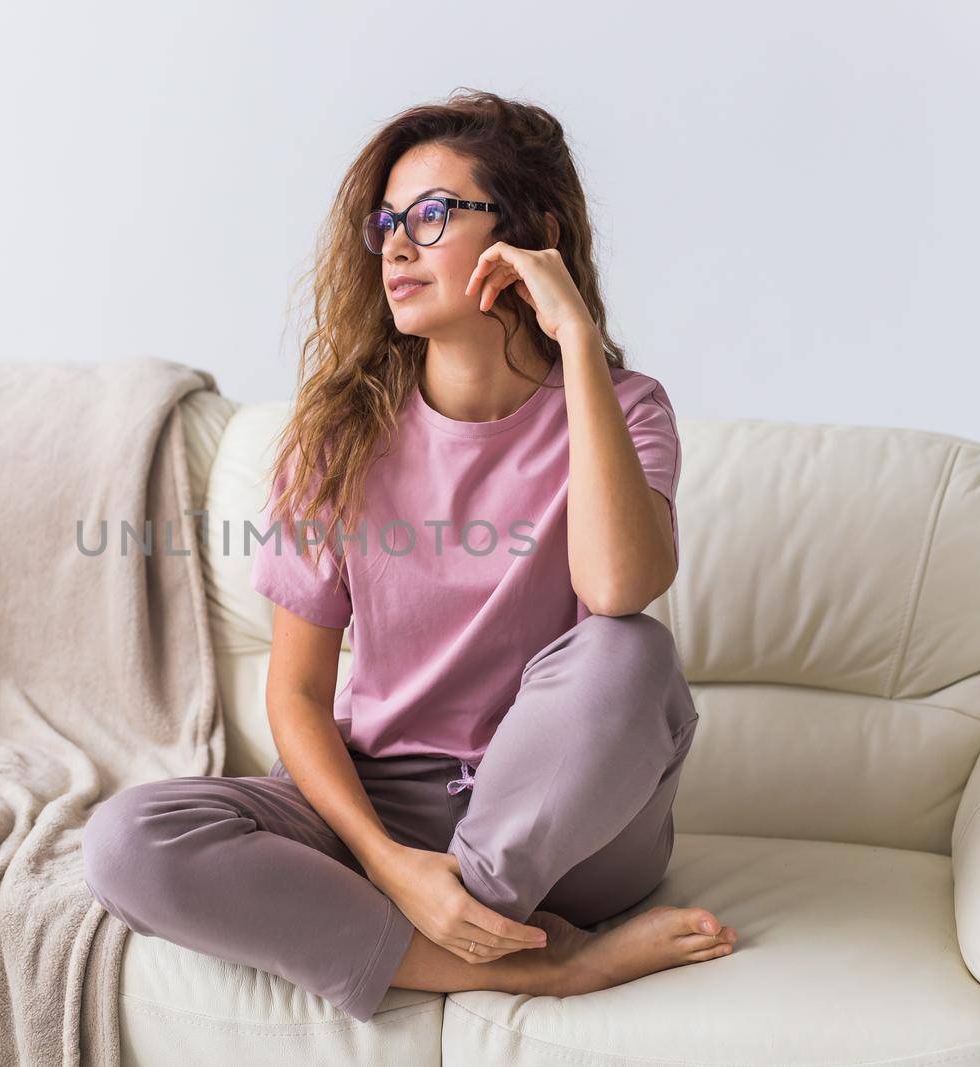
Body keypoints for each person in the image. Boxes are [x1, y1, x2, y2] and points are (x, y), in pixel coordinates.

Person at [82, 89, 735, 1024]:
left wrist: (578, 343)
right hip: (389, 811)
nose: (394, 245)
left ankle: (457, 918)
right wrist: (392, 866)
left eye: (432, 217)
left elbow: (617, 586)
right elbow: (298, 695)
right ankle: (535, 963)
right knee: (127, 840)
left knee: (629, 648)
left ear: (530, 237)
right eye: (387, 222)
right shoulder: (338, 436)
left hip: (573, 822)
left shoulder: (626, 408)